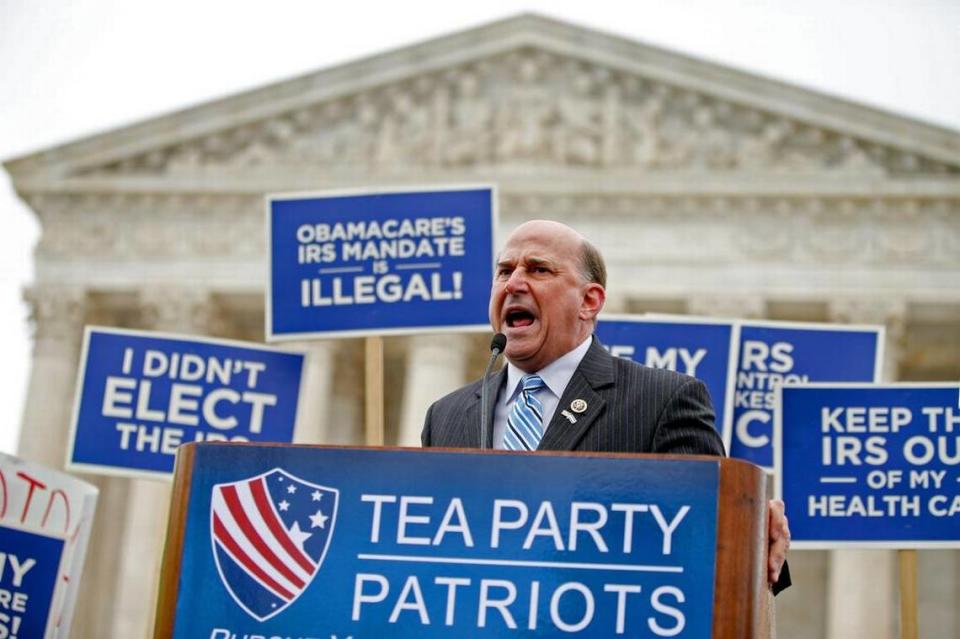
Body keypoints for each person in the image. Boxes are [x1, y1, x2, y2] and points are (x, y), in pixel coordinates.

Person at [422, 219, 790, 592]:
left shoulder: (663, 401)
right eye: (504, 271)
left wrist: (750, 525)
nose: (514, 283)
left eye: (538, 269)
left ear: (589, 301)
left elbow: (712, 549)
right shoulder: (446, 416)